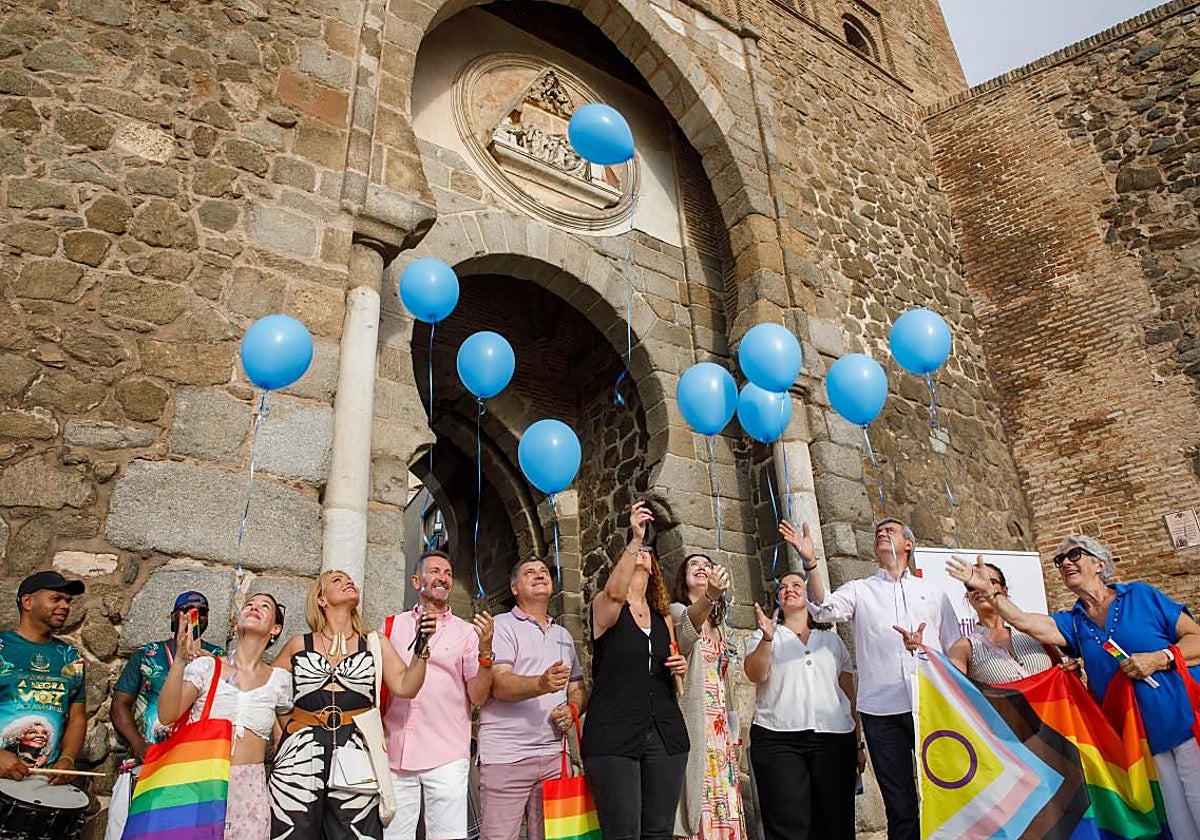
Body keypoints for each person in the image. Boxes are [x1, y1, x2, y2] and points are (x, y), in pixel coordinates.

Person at [949, 535, 1200, 840]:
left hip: (1185, 723)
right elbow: (1025, 621)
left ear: (1100, 564)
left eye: (1074, 555)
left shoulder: (1141, 596)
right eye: (1060, 560)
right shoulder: (1075, 622)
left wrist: (1159, 658)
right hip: (1136, 744)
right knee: (1177, 827)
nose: (1065, 562)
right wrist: (991, 592)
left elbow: (1196, 639)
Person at [784, 517, 959, 840]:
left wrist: (924, 653)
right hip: (882, 713)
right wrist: (810, 563)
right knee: (900, 805)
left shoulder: (933, 593)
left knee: (947, 794)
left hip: (932, 706)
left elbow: (955, 649)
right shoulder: (860, 590)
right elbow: (823, 609)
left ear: (909, 544)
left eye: (890, 530)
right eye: (878, 531)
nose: (881, 532)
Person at [270, 569, 434, 840]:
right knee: (293, 831)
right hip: (299, 753)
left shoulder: (374, 643)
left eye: (351, 580)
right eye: (337, 580)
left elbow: (407, 686)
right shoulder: (299, 644)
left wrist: (422, 649)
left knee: (354, 831)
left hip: (355, 747)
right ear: (321, 599)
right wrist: (283, 734)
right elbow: (269, 690)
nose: (349, 583)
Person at [582, 501, 689, 840]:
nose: (643, 552)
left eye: (646, 551)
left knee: (658, 831)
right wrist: (634, 537)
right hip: (614, 732)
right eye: (635, 552)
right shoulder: (604, 606)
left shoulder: (663, 617)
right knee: (623, 832)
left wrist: (679, 668)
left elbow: (674, 673)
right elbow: (615, 593)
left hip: (664, 730)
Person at [380, 550, 494, 840]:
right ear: (417, 580)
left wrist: (485, 653)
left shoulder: (466, 633)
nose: (443, 577)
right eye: (435, 571)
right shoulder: (391, 626)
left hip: (446, 752)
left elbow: (478, 697)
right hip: (395, 750)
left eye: (448, 573)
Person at [157, 592, 290, 840]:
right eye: (249, 604)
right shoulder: (207, 667)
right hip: (199, 781)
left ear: (275, 628)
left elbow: (290, 736)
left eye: (264, 606)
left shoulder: (280, 681)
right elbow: (167, 715)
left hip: (250, 791)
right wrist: (179, 661)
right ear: (237, 622)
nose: (254, 608)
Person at [744, 572, 862, 840]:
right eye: (783, 587)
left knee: (836, 824)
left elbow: (848, 694)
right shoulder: (764, 636)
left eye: (797, 585)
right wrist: (767, 639)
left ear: (809, 596)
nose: (789, 590)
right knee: (788, 826)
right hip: (778, 739)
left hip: (834, 739)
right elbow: (755, 674)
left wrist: (858, 743)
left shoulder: (832, 641)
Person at [478, 556, 587, 840]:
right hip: (506, 756)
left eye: (543, 572)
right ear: (514, 588)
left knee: (555, 838)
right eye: (530, 572)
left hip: (554, 757)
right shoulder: (501, 626)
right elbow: (498, 684)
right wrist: (542, 683)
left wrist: (572, 708)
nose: (539, 575)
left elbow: (577, 687)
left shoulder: (563, 635)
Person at [106, 591, 226, 840]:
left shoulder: (218, 658)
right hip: (147, 759)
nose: (195, 615)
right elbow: (120, 705)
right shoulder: (148, 653)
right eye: (187, 609)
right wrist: (138, 744)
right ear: (172, 616)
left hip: (193, 768)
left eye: (202, 611)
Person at [669, 553, 746, 840]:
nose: (701, 568)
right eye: (693, 565)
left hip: (720, 728)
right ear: (683, 578)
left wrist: (734, 732)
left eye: (707, 565)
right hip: (695, 719)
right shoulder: (677, 612)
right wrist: (711, 596)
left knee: (724, 797)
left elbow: (730, 681)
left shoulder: (722, 627)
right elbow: (688, 633)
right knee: (696, 796)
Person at [0, 571, 86, 785]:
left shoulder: (71, 657)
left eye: (68, 601)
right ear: (28, 602)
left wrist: (67, 758)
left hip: (43, 782)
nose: (65, 606)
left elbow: (77, 717)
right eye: (56, 599)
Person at [943, 563, 1054, 683]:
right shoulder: (964, 647)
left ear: (1004, 590)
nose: (980, 588)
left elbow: (1061, 671)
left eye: (990, 582)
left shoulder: (1033, 628)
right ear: (968, 596)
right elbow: (953, 692)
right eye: (972, 586)